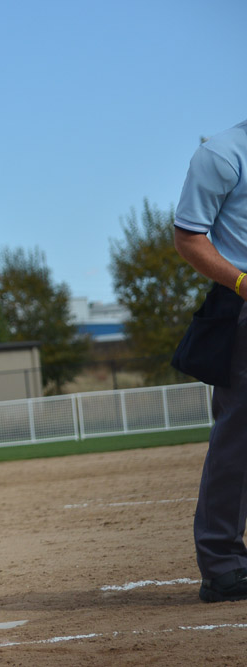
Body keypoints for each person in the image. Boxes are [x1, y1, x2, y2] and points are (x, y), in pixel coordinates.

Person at [173, 118, 247, 602]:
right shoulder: (223, 154)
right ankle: (223, 566)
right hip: (244, 303)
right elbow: (189, 237)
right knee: (240, 438)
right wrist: (241, 283)